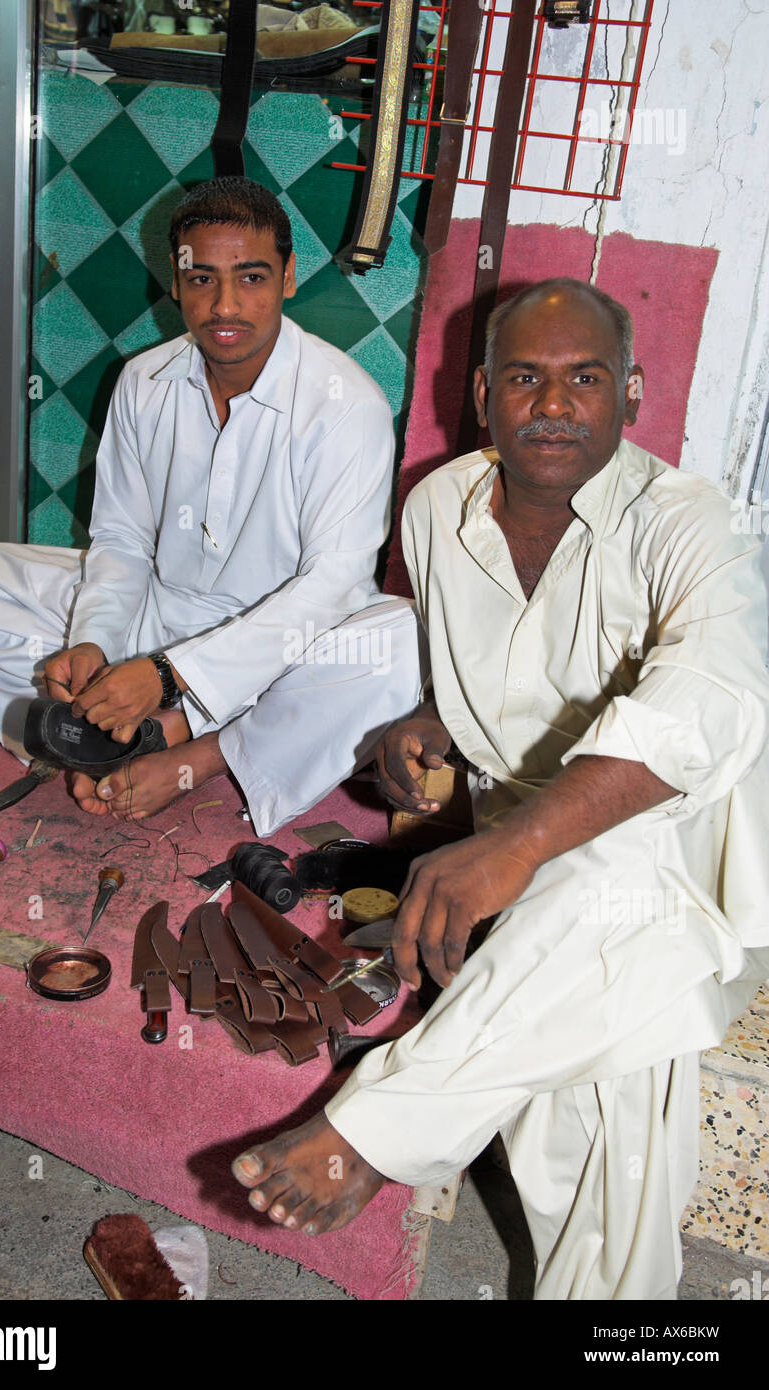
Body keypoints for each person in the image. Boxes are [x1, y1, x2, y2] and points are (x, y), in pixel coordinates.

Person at [231, 278, 769, 1300]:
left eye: (585, 380)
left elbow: (715, 694)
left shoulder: (689, 524)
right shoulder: (436, 507)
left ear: (633, 394)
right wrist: (428, 726)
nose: (554, 406)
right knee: (599, 1079)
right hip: (552, 904)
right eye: (526, 378)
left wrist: (516, 847)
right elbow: (494, 675)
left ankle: (371, 1127)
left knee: (603, 875)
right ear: (483, 396)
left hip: (684, 878)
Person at [0, 177, 422, 835]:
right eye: (203, 279)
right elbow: (122, 542)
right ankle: (97, 740)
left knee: (403, 641)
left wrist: (169, 679)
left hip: (283, 645)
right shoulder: (143, 382)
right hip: (159, 616)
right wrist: (94, 644)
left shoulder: (345, 404)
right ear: (176, 282)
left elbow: (333, 587)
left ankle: (204, 751)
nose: (226, 306)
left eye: (251, 278)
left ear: (289, 278)